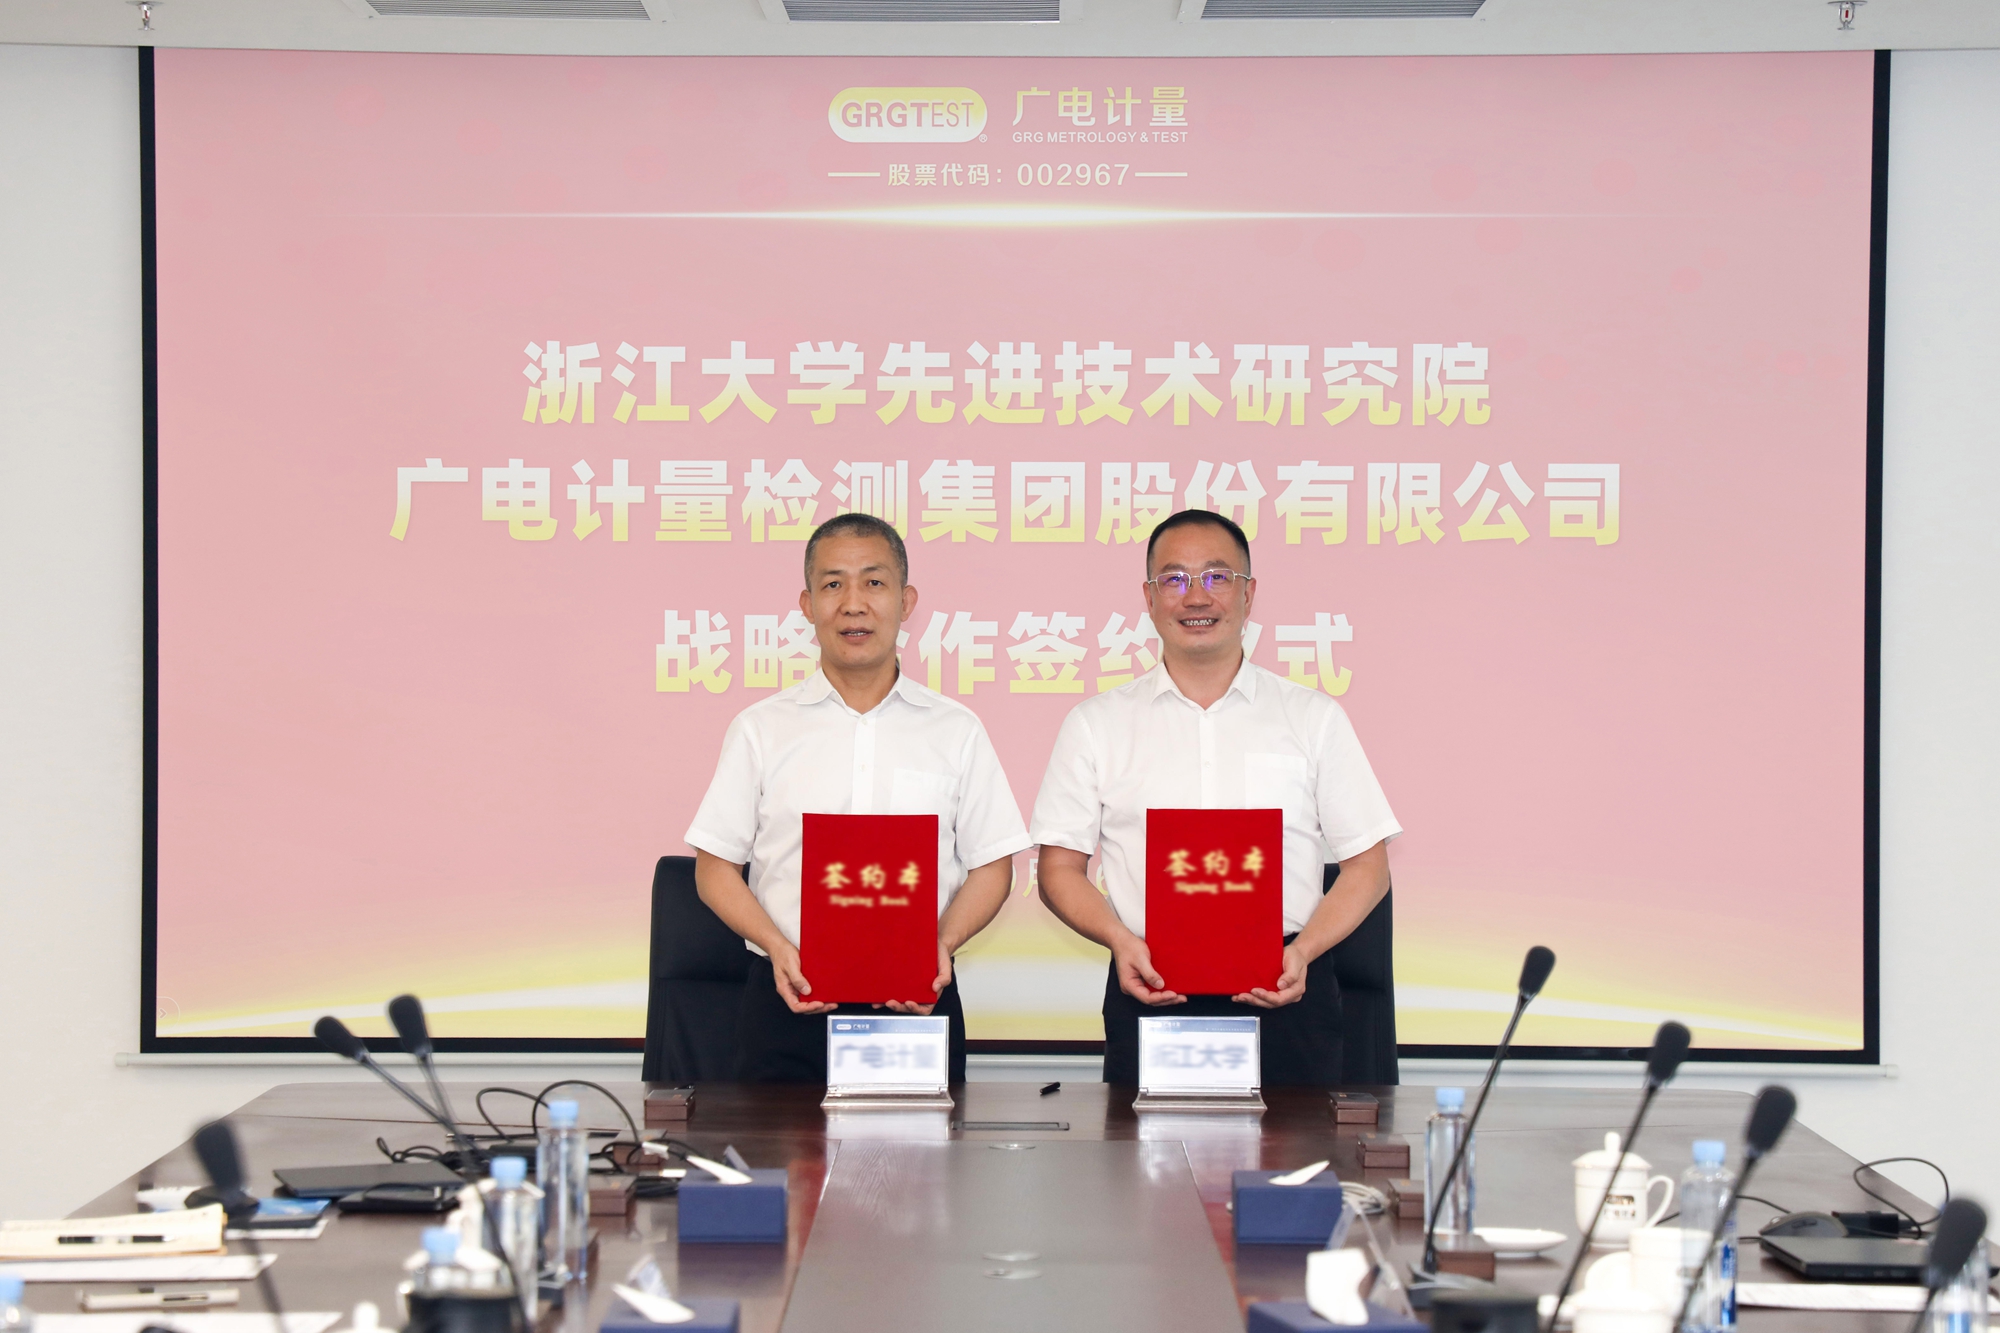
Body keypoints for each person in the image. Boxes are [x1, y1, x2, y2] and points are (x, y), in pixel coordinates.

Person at [1029, 509, 1401, 1086]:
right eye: (1174, 579)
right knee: (1140, 1147)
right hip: (1149, 985)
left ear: (1248, 595)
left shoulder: (1312, 718)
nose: (1196, 596)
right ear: (1149, 598)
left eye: (1217, 576)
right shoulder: (1096, 724)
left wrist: (1304, 951)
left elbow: (1368, 867)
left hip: (1286, 991)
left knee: (1293, 1147)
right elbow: (1058, 868)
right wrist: (1119, 941)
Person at [685, 512, 1030, 1083]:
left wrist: (939, 945)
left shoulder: (956, 730)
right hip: (787, 1000)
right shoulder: (760, 729)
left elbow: (993, 865)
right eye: (832, 584)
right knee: (776, 1142)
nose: (853, 604)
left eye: (873, 582)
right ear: (807, 604)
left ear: (906, 600)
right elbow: (714, 867)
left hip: (918, 1001)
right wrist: (776, 947)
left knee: (925, 1145)